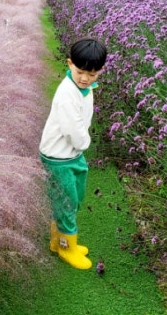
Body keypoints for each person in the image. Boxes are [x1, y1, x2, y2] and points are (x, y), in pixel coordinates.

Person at [39, 37, 108, 270]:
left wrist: (81, 144)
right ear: (69, 64)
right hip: (59, 157)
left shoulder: (85, 89)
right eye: (80, 72)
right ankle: (66, 248)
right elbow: (73, 131)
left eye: (92, 74)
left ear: (101, 71)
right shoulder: (67, 93)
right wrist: (85, 142)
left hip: (71, 154)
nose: (85, 78)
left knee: (73, 198)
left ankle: (58, 242)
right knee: (66, 201)